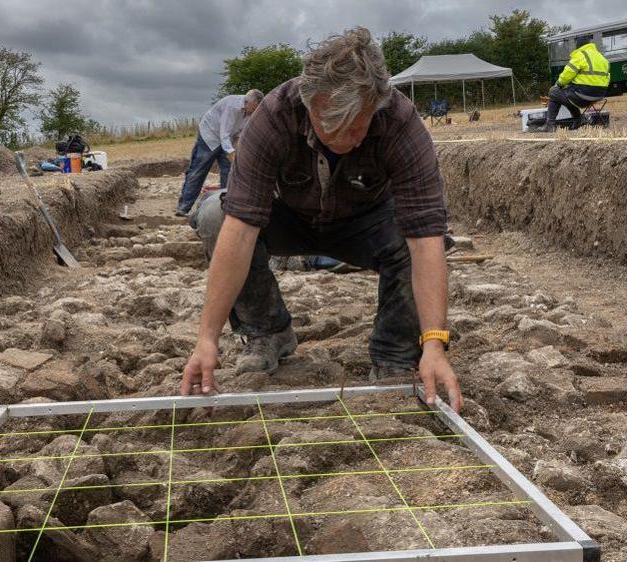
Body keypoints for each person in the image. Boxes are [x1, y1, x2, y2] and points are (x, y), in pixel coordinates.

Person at [180, 27, 463, 412]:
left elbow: (426, 237)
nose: (343, 137)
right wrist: (207, 338)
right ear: (307, 102)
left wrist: (434, 343)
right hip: (290, 219)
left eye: (357, 126)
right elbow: (240, 230)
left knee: (416, 231)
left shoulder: (401, 124)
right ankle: (268, 332)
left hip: (367, 224)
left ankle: (396, 350)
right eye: (329, 123)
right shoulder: (275, 116)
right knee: (215, 215)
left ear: (376, 106)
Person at [175, 90, 265, 216]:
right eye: (253, 109)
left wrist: (236, 148)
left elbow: (240, 132)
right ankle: (183, 208)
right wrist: (230, 152)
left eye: (256, 110)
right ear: (246, 102)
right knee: (198, 171)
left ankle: (224, 208)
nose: (253, 112)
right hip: (210, 136)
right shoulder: (232, 107)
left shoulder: (251, 111)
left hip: (228, 139)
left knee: (228, 173)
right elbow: (224, 132)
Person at [543, 41, 610, 132]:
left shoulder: (580, 55)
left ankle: (550, 125)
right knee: (568, 93)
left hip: (582, 96)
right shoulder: (601, 57)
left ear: (578, 46)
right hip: (599, 95)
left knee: (553, 92)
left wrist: (559, 84)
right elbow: (607, 78)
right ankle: (579, 120)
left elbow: (567, 75)